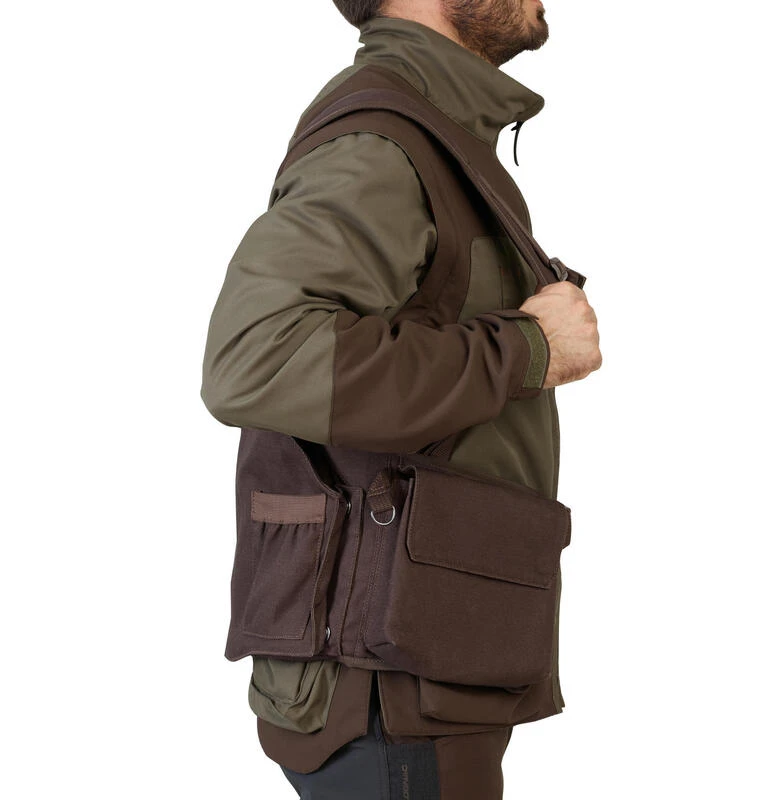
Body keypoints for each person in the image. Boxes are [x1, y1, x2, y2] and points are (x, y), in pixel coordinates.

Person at [201, 1, 601, 797]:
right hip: (388, 695)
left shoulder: (430, 131)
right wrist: (527, 348)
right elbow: (255, 357)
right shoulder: (384, 146)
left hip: (414, 668)